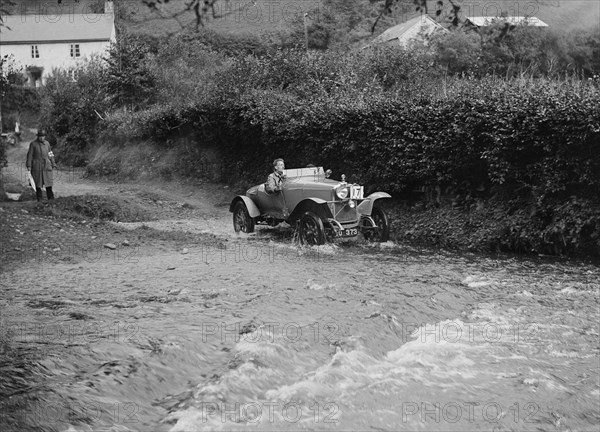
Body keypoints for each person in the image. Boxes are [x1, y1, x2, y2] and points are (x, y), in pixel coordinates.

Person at [26, 129, 56, 202]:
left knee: (48, 182)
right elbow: (30, 155)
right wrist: (29, 166)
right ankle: (39, 199)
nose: (41, 138)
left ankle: (51, 199)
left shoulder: (47, 143)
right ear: (38, 137)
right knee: (37, 184)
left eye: (43, 136)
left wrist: (53, 163)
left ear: (45, 136)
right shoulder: (33, 144)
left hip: (46, 165)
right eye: (40, 136)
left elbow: (50, 153)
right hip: (37, 166)